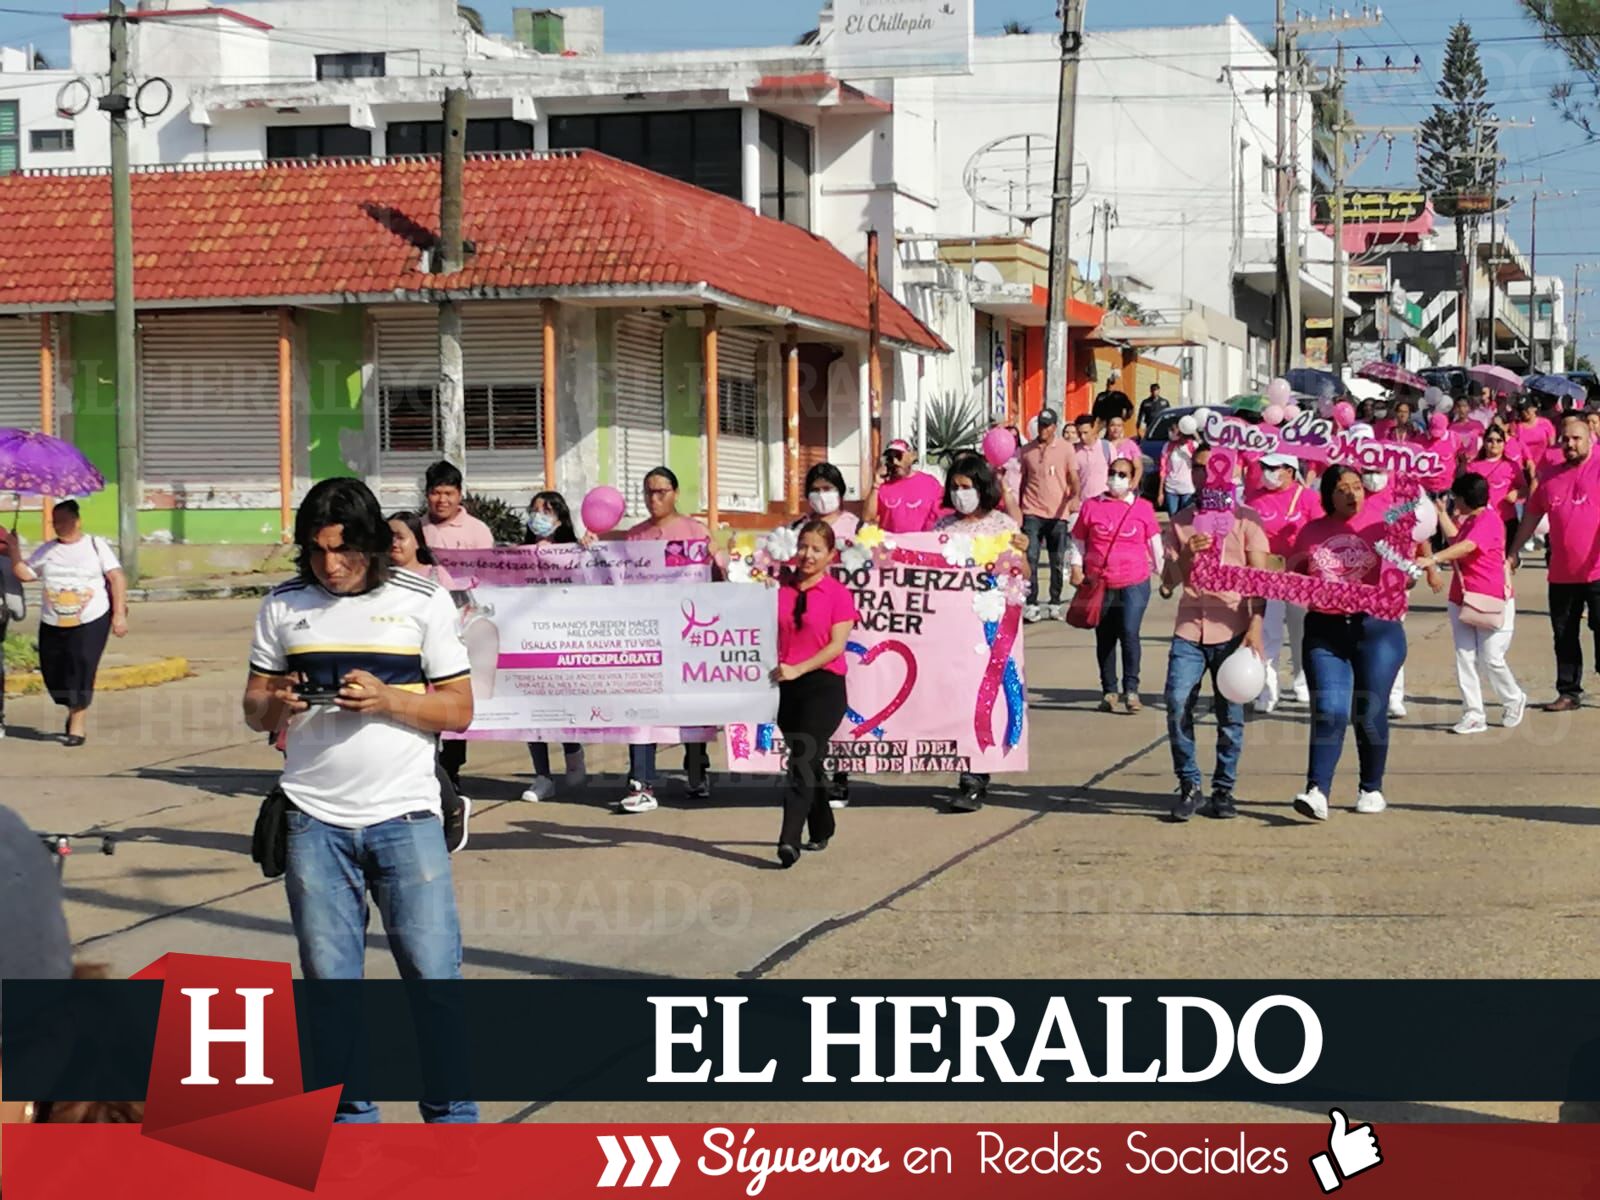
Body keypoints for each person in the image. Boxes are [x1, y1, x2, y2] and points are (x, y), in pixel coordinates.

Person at [242, 477, 477, 1124]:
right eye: (317, 552)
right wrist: (275, 705)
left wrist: (390, 699)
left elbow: (459, 709)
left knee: (433, 983)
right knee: (331, 991)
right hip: (313, 823)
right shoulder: (284, 605)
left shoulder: (423, 599)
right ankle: (352, 1130)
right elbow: (253, 708)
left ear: (372, 544)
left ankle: (452, 1122)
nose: (330, 566)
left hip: (406, 818)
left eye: (343, 551)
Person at [1289, 466, 1416, 821]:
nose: (1352, 494)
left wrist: (1404, 577)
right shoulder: (1311, 532)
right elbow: (1292, 576)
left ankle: (1371, 787)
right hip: (1325, 631)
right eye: (1343, 489)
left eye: (1357, 487)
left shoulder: (1384, 520)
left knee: (1370, 712)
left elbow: (1406, 567)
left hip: (1377, 630)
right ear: (1328, 495)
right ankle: (1317, 791)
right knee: (1329, 710)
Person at [1160, 484, 1270, 821]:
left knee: (1231, 715)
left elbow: (1259, 580)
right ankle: (1189, 784)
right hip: (1190, 629)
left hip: (1233, 629)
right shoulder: (1180, 522)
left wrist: (1255, 626)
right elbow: (1167, 584)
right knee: (1177, 702)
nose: (1208, 476)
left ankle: (1223, 789)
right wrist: (1188, 555)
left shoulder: (1246, 519)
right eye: (1200, 469)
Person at [935, 453, 1027, 812]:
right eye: (955, 488)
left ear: (982, 488)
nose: (960, 495)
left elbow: (1023, 577)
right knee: (956, 697)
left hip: (989, 626)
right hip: (951, 629)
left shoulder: (1002, 526)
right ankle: (962, 766)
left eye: (966, 487)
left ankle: (976, 776)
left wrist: (1022, 555)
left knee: (986, 696)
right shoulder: (941, 530)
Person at [621, 467, 714, 812]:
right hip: (646, 636)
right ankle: (640, 781)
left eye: (660, 492)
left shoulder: (695, 532)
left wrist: (718, 554)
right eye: (648, 492)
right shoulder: (634, 537)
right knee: (641, 708)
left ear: (675, 493)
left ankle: (696, 770)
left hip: (688, 634)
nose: (654, 499)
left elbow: (714, 577)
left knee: (690, 707)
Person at [0, 501, 127, 747]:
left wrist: (119, 614)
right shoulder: (48, 550)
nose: (59, 526)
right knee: (54, 671)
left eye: (64, 520)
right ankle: (72, 707)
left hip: (91, 617)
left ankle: (78, 725)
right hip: (53, 620)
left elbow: (116, 577)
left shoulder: (95, 546)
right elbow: (25, 574)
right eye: (55, 521)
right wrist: (14, 550)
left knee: (82, 665)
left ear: (77, 521)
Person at [771, 520, 858, 868]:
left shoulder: (838, 594)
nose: (807, 555)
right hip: (784, 688)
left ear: (830, 555)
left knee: (801, 761)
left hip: (823, 686)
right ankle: (823, 824)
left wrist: (799, 667)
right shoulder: (777, 588)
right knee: (809, 761)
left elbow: (836, 647)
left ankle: (788, 839)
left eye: (816, 549)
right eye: (803, 546)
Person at [1510, 414, 1600, 713]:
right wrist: (1513, 552)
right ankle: (1568, 692)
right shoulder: (1549, 477)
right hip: (1561, 574)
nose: (1571, 444)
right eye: (1567, 439)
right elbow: (1532, 518)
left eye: (1577, 439)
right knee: (1564, 634)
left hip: (1597, 571)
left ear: (1590, 440)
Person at [1426, 473, 1525, 735]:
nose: (1452, 501)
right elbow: (1458, 540)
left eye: (1455, 497)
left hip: (1490, 599)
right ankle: (1473, 713)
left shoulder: (1489, 519)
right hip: (1462, 598)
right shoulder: (1470, 520)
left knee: (1491, 659)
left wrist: (1433, 558)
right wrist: (1441, 514)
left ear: (1465, 498)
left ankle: (1513, 698)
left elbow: (1467, 546)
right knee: (1465, 657)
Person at [419, 461, 494, 796]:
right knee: (422, 698)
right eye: (436, 492)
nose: (442, 500)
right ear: (427, 494)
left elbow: (490, 579)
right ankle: (425, 765)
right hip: (420, 627)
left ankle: (451, 770)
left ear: (460, 494)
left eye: (448, 493)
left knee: (455, 695)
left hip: (463, 626)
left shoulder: (477, 530)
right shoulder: (414, 529)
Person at [1071, 457, 1163, 715]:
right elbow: (1078, 540)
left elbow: (1155, 544)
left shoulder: (1142, 508)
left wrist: (1165, 575)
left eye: (1123, 474)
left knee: (1129, 631)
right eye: (1113, 473)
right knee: (1105, 636)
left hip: (1134, 581)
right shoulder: (1092, 506)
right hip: (1101, 582)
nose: (1116, 478)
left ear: (1133, 479)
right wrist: (1076, 567)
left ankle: (1131, 689)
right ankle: (1109, 690)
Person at [520, 491, 588, 802]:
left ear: (560, 518)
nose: (540, 517)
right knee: (532, 713)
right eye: (535, 511)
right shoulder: (518, 555)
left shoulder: (574, 550)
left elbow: (592, 579)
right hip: (527, 640)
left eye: (547, 511)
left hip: (564, 639)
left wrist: (590, 550)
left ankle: (573, 754)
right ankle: (542, 776)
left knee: (563, 707)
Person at [1245, 454, 1322, 711]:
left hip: (1300, 576)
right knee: (1268, 634)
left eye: (1272, 468)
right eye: (1263, 467)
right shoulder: (1253, 498)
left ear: (1289, 470)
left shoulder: (1308, 498)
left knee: (1302, 635)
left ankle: (1302, 683)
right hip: (1267, 575)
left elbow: (1321, 534)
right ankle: (1267, 692)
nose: (1266, 472)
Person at [1018, 409, 1079, 623]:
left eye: (1047, 425)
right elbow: (1021, 480)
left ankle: (1054, 602)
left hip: (1058, 513)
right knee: (1032, 557)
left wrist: (1074, 497)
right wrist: (1017, 509)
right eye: (1041, 425)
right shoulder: (1027, 451)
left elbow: (1073, 476)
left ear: (1054, 426)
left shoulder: (1066, 448)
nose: (1043, 429)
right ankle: (1032, 603)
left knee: (1056, 559)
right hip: (1032, 511)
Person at [864, 439, 944, 533]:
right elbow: (868, 518)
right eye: (890, 458)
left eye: (898, 456)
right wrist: (876, 485)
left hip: (920, 544)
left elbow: (941, 515)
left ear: (911, 456)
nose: (894, 461)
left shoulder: (930, 483)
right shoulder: (883, 486)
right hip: (892, 545)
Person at [1468, 424, 1523, 547]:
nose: (1494, 444)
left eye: (1499, 440)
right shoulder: (1473, 466)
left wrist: (1517, 494)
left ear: (1504, 443)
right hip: (1481, 520)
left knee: (1506, 562)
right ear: (1484, 442)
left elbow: (1524, 488)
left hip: (1506, 518)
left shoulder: (1512, 466)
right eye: (1490, 440)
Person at [795, 462, 860, 545]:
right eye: (815, 490)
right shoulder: (797, 527)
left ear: (839, 491)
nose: (821, 494)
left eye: (827, 489)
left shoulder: (856, 527)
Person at [1157, 419, 1200, 516]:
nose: (1171, 432)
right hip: (1171, 488)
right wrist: (1160, 492)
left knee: (1186, 517)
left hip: (1187, 488)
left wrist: (1193, 431)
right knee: (1173, 517)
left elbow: (1202, 450)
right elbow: (1163, 469)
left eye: (1174, 429)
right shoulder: (1167, 446)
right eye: (1170, 429)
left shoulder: (1191, 445)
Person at [1072, 414, 1115, 502]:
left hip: (1104, 501)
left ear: (1093, 429)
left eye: (1085, 433)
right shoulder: (1073, 451)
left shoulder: (1107, 447)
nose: (1082, 437)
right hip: (1082, 502)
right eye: (1079, 433)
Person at [1510, 396, 1558, 473]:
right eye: (1521, 410)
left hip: (1544, 466)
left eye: (1526, 409)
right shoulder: (1517, 427)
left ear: (1534, 408)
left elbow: (1552, 446)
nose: (1524, 412)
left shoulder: (1545, 423)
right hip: (1525, 468)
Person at [1105, 414, 1143, 483]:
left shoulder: (1131, 445)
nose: (1115, 428)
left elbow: (1138, 467)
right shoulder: (1102, 445)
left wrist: (1134, 482)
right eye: (1112, 425)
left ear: (1123, 428)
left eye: (1119, 426)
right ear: (1108, 427)